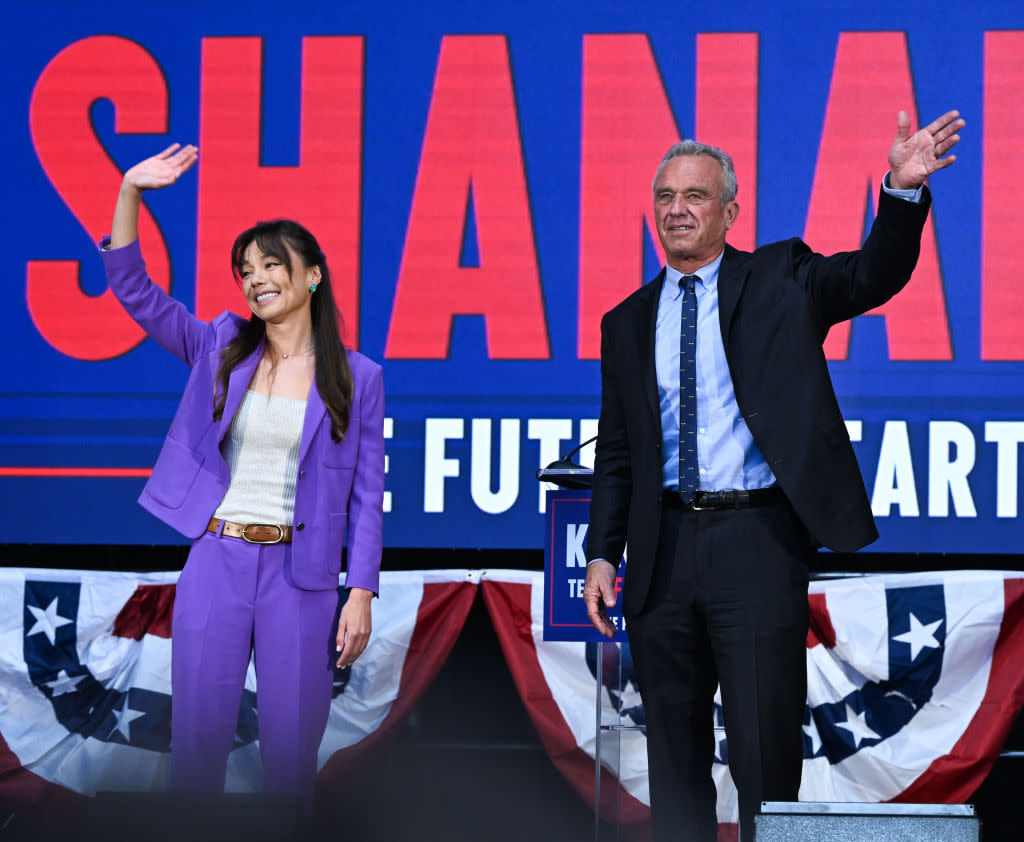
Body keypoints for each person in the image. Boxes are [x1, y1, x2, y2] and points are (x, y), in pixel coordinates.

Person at [583, 110, 964, 841]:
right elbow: (619, 452)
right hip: (662, 555)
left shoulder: (782, 277)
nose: (676, 209)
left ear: (730, 211)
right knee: (674, 762)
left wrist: (901, 192)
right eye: (665, 196)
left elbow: (872, 274)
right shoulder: (625, 321)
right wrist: (603, 551)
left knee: (765, 756)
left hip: (756, 542)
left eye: (694, 195)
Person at [98, 144, 385, 805]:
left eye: (271, 265)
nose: (255, 279)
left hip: (303, 578)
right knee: (196, 750)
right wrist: (129, 192)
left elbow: (368, 497)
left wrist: (361, 590)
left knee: (291, 761)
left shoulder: (358, 377)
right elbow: (135, 292)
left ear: (313, 275)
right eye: (246, 270)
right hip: (217, 559)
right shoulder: (219, 348)